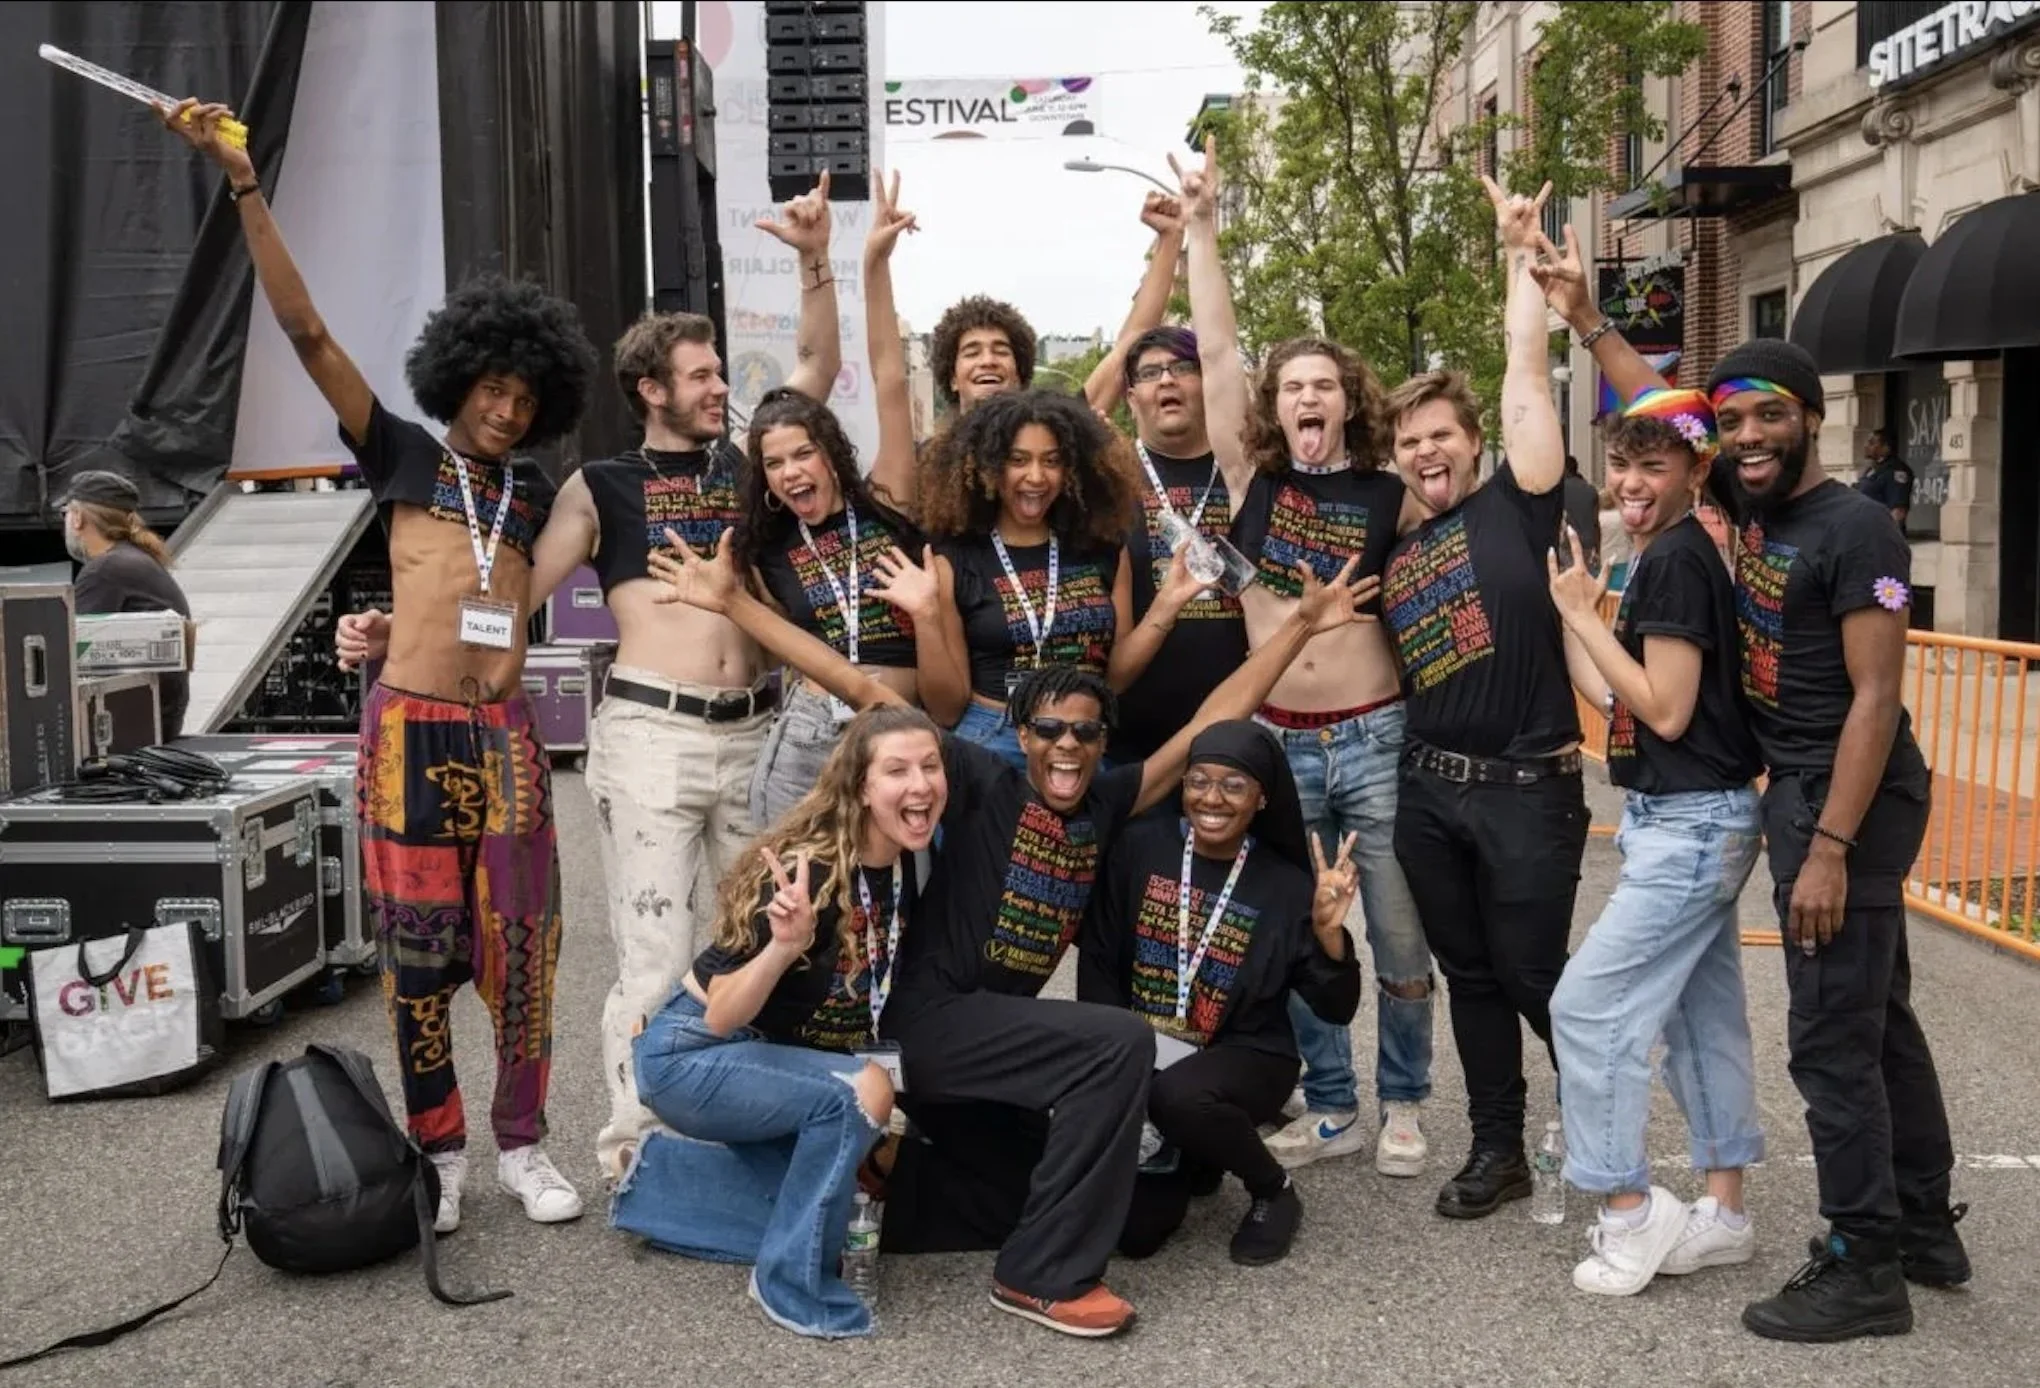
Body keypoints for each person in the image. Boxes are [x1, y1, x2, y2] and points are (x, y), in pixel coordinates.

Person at [648, 525, 1378, 1338]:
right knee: (1118, 1044)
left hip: (984, 1044)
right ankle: (1042, 1279)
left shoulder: (1105, 805)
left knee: (1044, 1194)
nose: (1068, 745)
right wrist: (736, 602)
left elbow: (1215, 720)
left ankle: (709, 1188)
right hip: (928, 1018)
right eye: (1051, 730)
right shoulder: (980, 781)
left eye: (1087, 732)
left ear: (1103, 744)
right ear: (1023, 737)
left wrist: (1303, 627)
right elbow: (860, 688)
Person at [334, 175, 846, 1188]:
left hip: (758, 735)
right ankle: (633, 1145)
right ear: (651, 386)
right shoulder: (593, 487)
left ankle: (754, 1121)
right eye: (699, 376)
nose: (717, 389)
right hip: (651, 737)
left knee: (761, 939)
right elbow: (510, 585)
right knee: (653, 955)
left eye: (716, 375)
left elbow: (817, 368)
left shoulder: (750, 463)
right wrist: (408, 625)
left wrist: (814, 257)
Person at [160, 96, 594, 1227]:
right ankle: (439, 1148)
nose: (505, 406)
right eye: (491, 387)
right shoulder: (399, 450)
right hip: (405, 734)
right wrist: (244, 182)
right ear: (455, 383)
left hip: (503, 739)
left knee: (527, 953)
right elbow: (307, 335)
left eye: (524, 395)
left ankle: (522, 1143)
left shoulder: (532, 491)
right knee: (415, 961)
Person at [1176, 134, 1435, 1177]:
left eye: (1324, 384)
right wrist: (1202, 225)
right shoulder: (1256, 483)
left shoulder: (1389, 490)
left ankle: (1406, 1100)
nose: (1308, 397)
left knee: (1401, 935)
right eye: (1293, 388)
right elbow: (1221, 347)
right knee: (1300, 934)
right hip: (1280, 744)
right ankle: (1333, 1104)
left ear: (1348, 399)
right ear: (1274, 409)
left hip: (1375, 736)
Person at [1706, 339, 1964, 1343]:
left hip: (1846, 797)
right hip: (1815, 792)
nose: (1747, 436)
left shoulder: (1866, 538)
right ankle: (1926, 1224)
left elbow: (1878, 695)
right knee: (1877, 1014)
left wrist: (1828, 845)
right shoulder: (1754, 495)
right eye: (1732, 422)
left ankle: (1865, 1261)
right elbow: (1664, 413)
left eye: (1769, 414)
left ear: (1811, 415)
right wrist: (1584, 316)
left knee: (1830, 1037)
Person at [1375, 176, 1587, 1221]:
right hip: (1428, 791)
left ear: (1475, 439)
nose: (1426, 451)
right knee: (1470, 973)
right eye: (1408, 441)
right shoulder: (1397, 545)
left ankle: (1603, 1134)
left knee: (1537, 973)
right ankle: (1497, 1145)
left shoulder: (1522, 499)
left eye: (1442, 433)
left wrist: (1517, 257)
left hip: (1526, 788)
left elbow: (1525, 372)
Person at [609, 705, 946, 1340]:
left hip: (764, 1061)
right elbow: (721, 1012)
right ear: (861, 787)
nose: (920, 784)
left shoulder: (908, 859)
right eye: (897, 769)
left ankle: (656, 1181)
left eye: (931, 766)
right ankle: (787, 1283)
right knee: (862, 1092)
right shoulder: (810, 871)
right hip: (692, 1054)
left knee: (835, 1210)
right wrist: (783, 947)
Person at [1542, 388, 1767, 1297]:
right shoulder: (1663, 556)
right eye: (1623, 464)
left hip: (1692, 822)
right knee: (1699, 1017)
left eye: (1654, 465)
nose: (1632, 483)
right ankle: (1726, 1212)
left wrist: (1585, 615)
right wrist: (1583, 615)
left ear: (1694, 470)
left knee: (1588, 1011)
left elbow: (1666, 711)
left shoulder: (1673, 562)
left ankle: (1630, 1211)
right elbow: (1623, 705)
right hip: (1687, 815)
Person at [1078, 720, 1361, 1267]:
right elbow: (1100, 958)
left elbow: (1336, 1007)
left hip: (1248, 1055)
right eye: (1198, 781)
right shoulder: (1140, 848)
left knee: (1182, 1097)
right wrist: (1112, 1051)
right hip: (1145, 1048)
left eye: (1233, 786)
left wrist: (1329, 934)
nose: (1211, 798)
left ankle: (1272, 1189)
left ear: (1261, 799)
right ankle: (1198, 1149)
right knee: (1135, 1237)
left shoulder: (1284, 884)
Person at [914, 388, 1204, 769]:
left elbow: (1113, 678)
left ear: (1071, 468)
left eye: (1051, 461)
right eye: (1018, 460)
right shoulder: (956, 557)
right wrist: (925, 616)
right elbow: (946, 709)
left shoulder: (1102, 549)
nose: (1036, 476)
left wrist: (1167, 604)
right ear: (988, 467)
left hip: (1079, 740)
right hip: (991, 739)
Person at [859, 169, 1183, 507]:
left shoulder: (1058, 434)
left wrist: (1171, 238)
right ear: (952, 377)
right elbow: (888, 377)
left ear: (1019, 372)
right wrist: (876, 262)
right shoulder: (924, 463)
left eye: (1001, 350)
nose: (988, 360)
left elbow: (1128, 346)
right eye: (972, 352)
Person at [730, 388, 962, 825]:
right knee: (803, 884)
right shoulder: (766, 551)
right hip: (813, 734)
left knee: (903, 882)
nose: (791, 472)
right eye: (774, 463)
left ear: (832, 456)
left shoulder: (887, 506)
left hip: (901, 725)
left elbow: (890, 381)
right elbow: (781, 649)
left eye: (804, 454)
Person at [1109, 326, 1252, 766]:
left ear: (1206, 384)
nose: (1167, 380)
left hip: (1243, 736)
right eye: (1151, 373)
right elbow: (1111, 669)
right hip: (1137, 745)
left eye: (1183, 367)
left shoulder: (1244, 473)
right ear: (1133, 399)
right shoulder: (1109, 484)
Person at [56, 470, 194, 740]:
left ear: (78, 518)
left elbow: (70, 652)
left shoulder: (105, 570)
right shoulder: (135, 560)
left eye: (66, 513)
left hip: (133, 727)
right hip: (158, 718)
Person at [1853, 428, 1913, 531]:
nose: (1866, 446)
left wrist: (1889, 538)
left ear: (1885, 448)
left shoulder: (1895, 471)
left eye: (1872, 443)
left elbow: (1898, 511)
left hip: (1880, 535)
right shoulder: (1872, 469)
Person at [1562, 454, 1604, 572]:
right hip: (1588, 545)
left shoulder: (1558, 491)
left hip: (1566, 546)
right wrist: (1598, 550)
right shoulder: (1590, 490)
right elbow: (1596, 523)